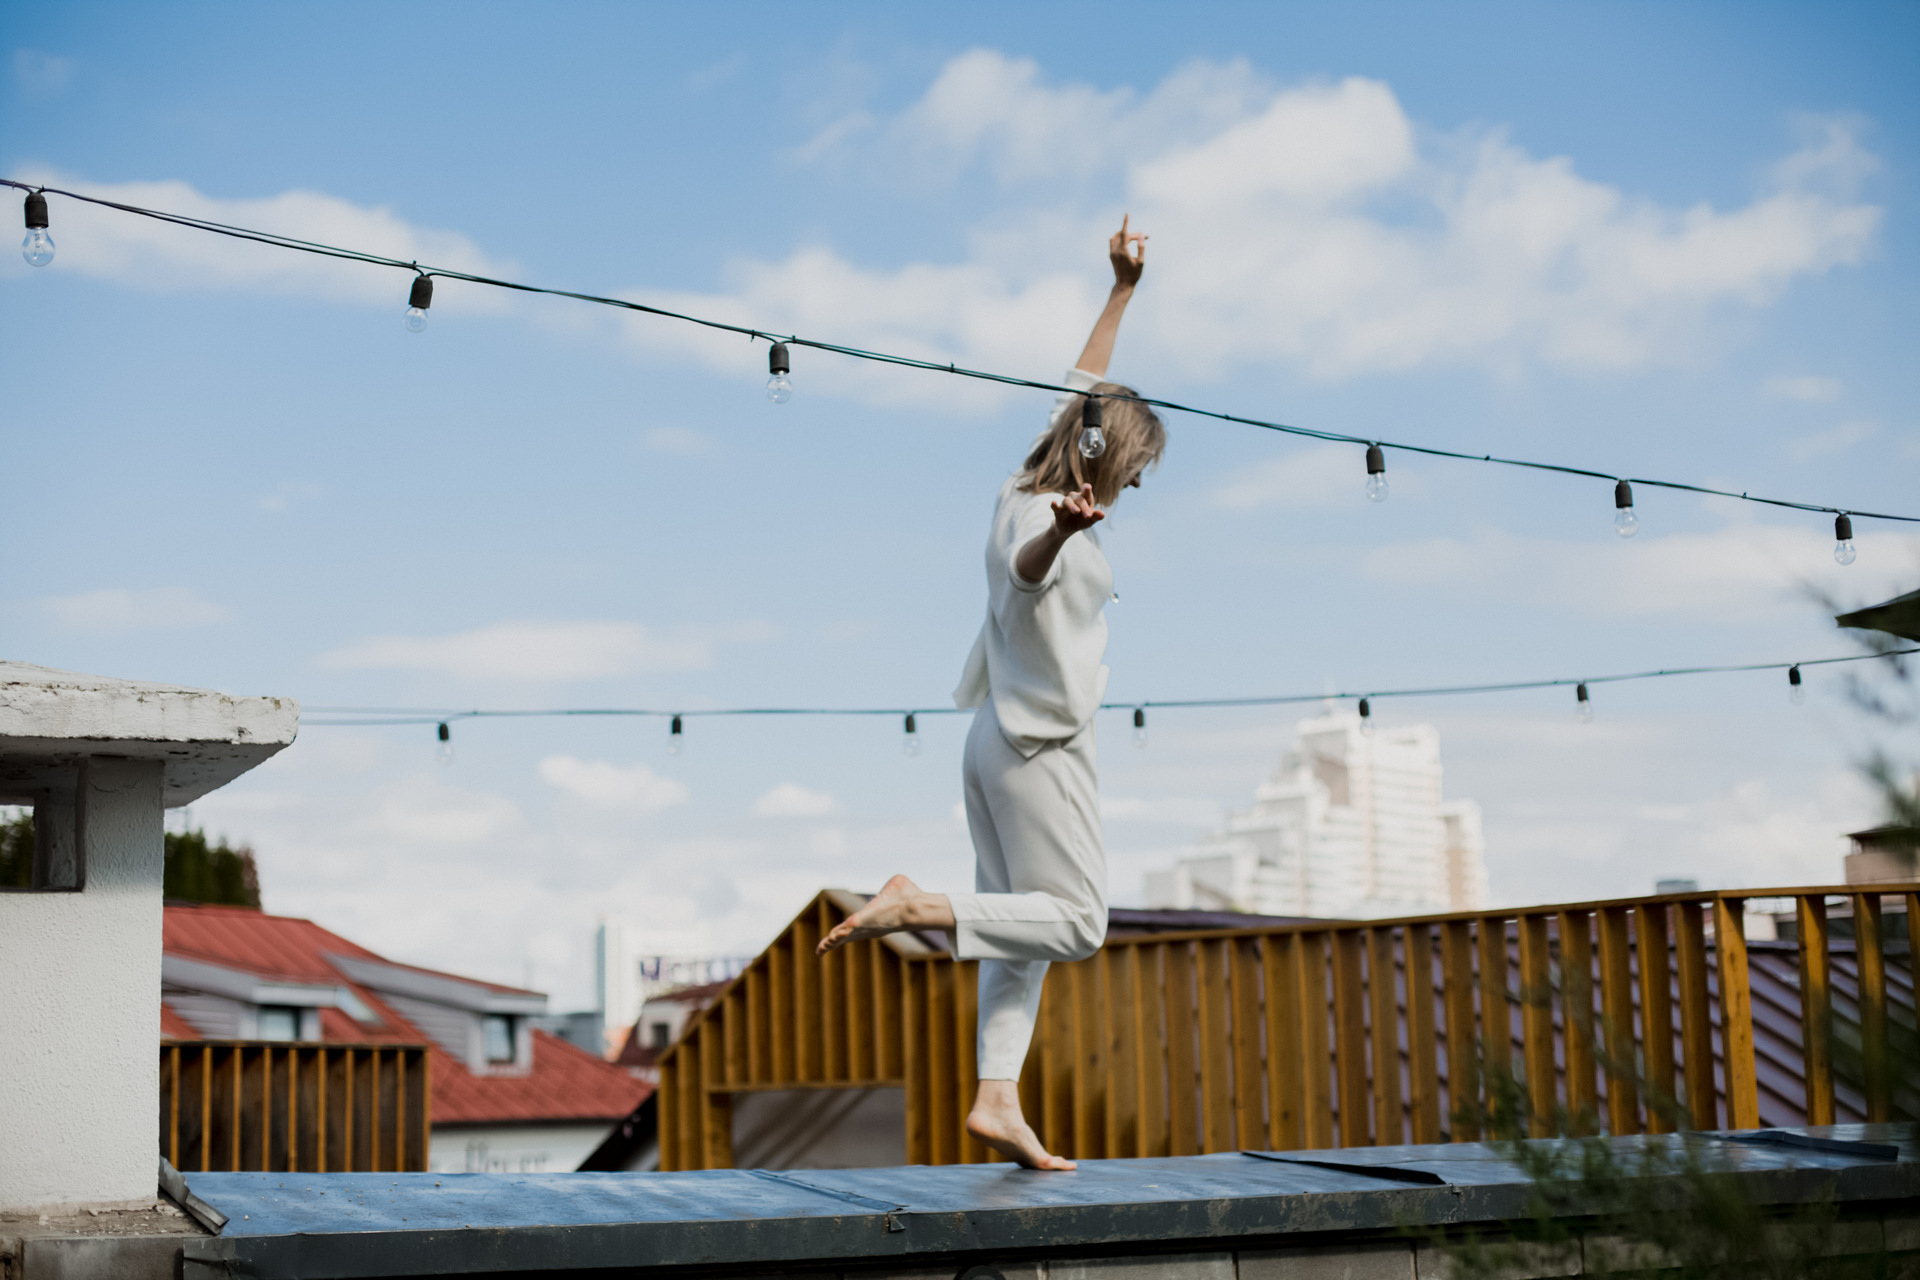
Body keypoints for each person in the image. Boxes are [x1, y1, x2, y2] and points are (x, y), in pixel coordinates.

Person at [819, 216, 1165, 1170]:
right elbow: (1026, 573)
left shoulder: (1020, 480)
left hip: (987, 741)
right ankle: (918, 906)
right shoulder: (1051, 526)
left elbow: (1079, 388)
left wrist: (1122, 290)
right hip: (1039, 750)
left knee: (1021, 931)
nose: (1135, 488)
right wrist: (1061, 536)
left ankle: (997, 1099)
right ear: (1109, 467)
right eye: (1135, 473)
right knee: (1080, 922)